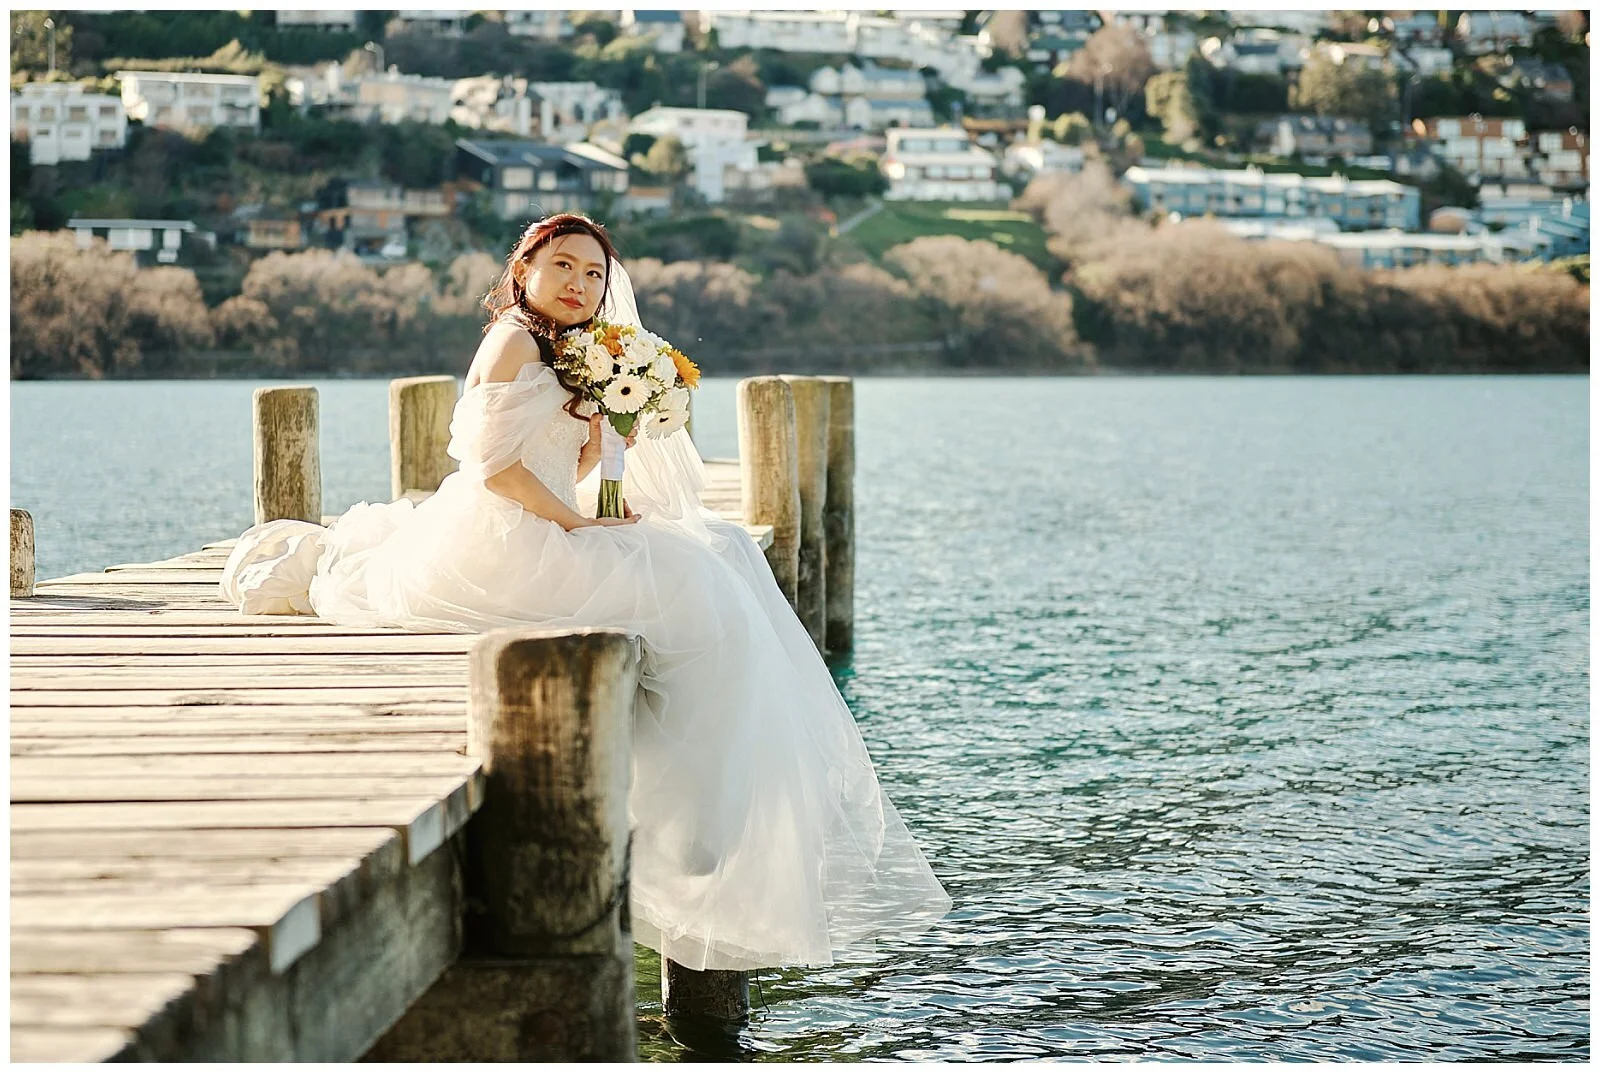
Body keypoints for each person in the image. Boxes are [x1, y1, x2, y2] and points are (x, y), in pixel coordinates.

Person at [222, 213, 952, 972]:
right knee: (700, 587)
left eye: (594, 274)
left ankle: (701, 819)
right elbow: (492, 470)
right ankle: (691, 831)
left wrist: (611, 457)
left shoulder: (576, 354)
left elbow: (565, 476)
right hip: (497, 536)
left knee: (725, 551)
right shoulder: (510, 338)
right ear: (525, 269)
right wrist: (577, 520)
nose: (580, 283)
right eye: (563, 266)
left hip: (546, 525)